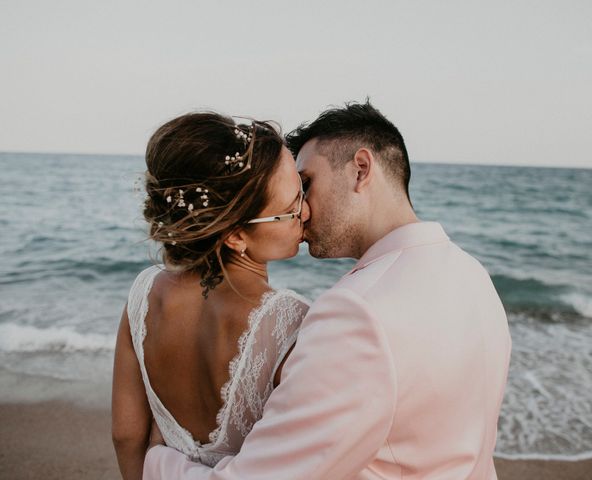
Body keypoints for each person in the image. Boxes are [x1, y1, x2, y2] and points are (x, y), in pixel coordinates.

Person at [143, 101, 512, 479]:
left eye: (306, 183)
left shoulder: (358, 312)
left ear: (360, 170)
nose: (300, 208)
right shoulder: (472, 274)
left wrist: (158, 458)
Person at [111, 112, 311, 479]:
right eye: (291, 209)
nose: (307, 212)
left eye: (303, 192)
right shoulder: (292, 322)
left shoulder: (143, 293)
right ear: (235, 235)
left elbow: (126, 433)